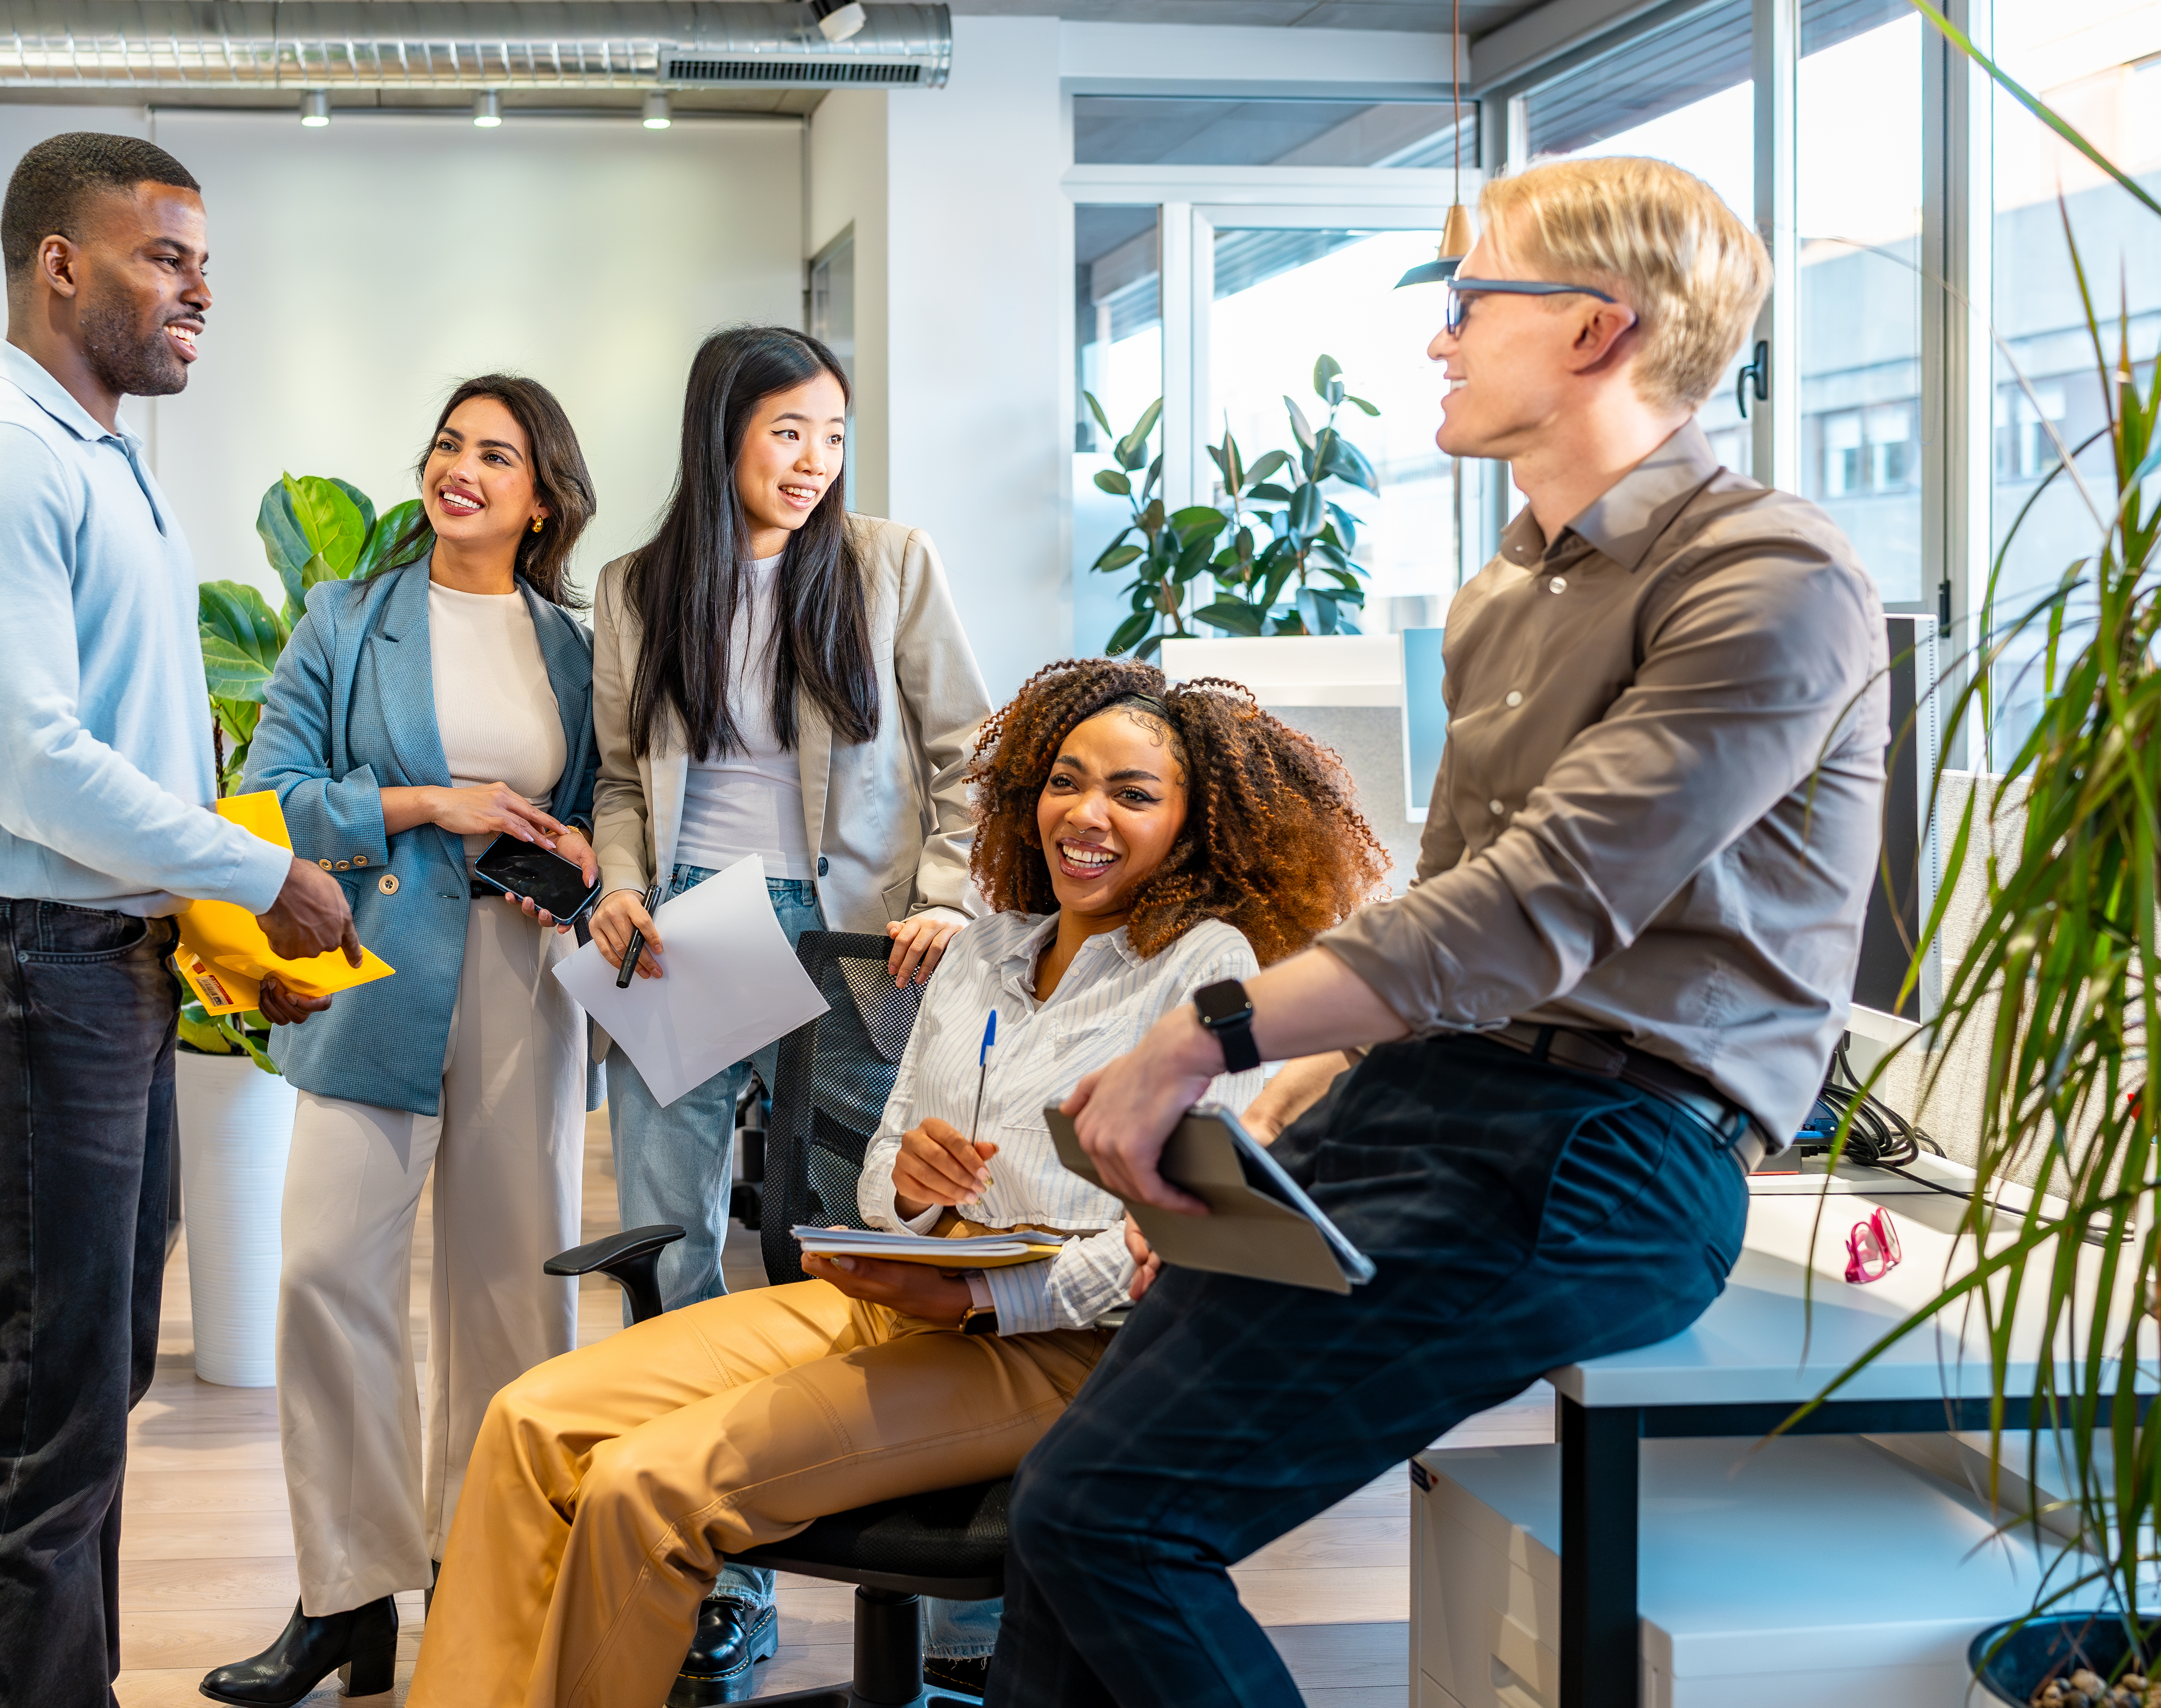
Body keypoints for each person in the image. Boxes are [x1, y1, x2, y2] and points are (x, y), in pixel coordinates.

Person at [987, 155, 1892, 1707]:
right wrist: (1309, 1086)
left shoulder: (1771, 579)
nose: (1440, 338)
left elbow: (1536, 905)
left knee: (1115, 1523)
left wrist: (1205, 1037)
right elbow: (1444, 899)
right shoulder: (1506, 596)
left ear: (1601, 330)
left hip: (1607, 1146)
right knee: (1073, 1518)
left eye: (1473, 300)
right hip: (1437, 1102)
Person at [409, 656, 1391, 1708]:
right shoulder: (985, 951)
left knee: (646, 1486)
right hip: (894, 1295)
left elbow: (1180, 1233)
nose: (1085, 815)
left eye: (1133, 794)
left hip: (1057, 1350)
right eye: (1065, 780)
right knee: (529, 1419)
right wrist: (917, 1197)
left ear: (1196, 827)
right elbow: (879, 1172)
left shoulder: (1208, 967)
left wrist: (984, 1292)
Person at [0, 133, 358, 1708]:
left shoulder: (96, 451)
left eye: (206, 261)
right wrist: (246, 870)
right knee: (42, 1423)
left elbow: (131, 751)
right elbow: (31, 767)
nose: (199, 289)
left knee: (86, 1396)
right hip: (22, 970)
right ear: (58, 263)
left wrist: (218, 931)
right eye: (166, 256)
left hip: (92, 963)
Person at [582, 324, 995, 1688]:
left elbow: (971, 758)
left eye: (832, 432)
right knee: (674, 1244)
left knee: (876, 1239)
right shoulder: (642, 586)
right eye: (786, 432)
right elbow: (624, 781)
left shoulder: (889, 566)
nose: (814, 462)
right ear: (723, 435)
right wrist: (624, 888)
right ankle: (724, 1578)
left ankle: (948, 1590)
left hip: (860, 942)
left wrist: (945, 891)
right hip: (693, 931)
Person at [196, 376, 605, 1706]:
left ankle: (490, 1581)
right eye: (447, 445)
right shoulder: (345, 617)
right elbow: (267, 796)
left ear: (542, 497)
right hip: (375, 968)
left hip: (523, 972)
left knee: (509, 1292)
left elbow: (615, 807)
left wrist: (586, 850)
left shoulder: (577, 648)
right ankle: (346, 1597)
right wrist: (432, 800)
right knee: (325, 1268)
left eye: (497, 455)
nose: (461, 471)